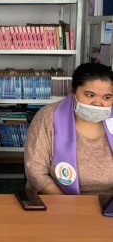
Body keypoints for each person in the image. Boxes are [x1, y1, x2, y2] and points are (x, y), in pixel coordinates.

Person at [24, 63, 113, 195]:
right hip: (58, 199)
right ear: (73, 92)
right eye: (90, 95)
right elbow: (35, 171)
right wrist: (67, 204)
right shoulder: (48, 117)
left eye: (107, 97)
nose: (98, 103)